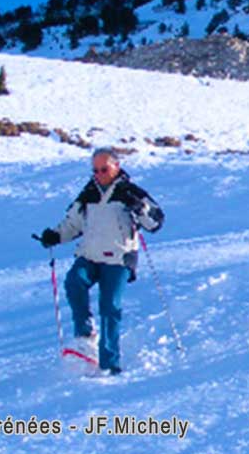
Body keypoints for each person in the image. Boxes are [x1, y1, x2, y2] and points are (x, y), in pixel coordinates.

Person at [37, 147, 165, 375]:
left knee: (109, 306)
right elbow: (72, 224)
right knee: (74, 281)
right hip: (90, 255)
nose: (99, 174)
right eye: (95, 170)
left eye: (104, 169)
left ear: (116, 167)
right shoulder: (88, 193)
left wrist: (139, 208)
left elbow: (155, 222)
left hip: (119, 258)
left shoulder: (130, 192)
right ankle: (85, 335)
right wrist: (54, 236)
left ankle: (110, 363)